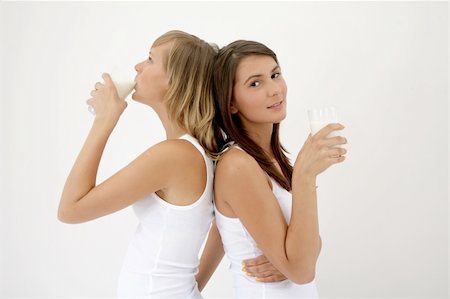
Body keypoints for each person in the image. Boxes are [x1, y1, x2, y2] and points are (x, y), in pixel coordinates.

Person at [58, 30, 222, 299]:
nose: (138, 66)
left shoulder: (174, 155)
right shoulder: (196, 150)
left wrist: (104, 121)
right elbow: (222, 227)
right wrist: (191, 288)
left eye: (150, 59)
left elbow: (70, 209)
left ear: (176, 80)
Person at [211, 40, 348, 298]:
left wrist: (293, 261)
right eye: (255, 83)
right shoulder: (237, 166)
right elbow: (303, 269)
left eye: (275, 75)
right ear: (231, 103)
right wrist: (305, 177)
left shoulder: (271, 159)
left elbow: (308, 247)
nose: (275, 90)